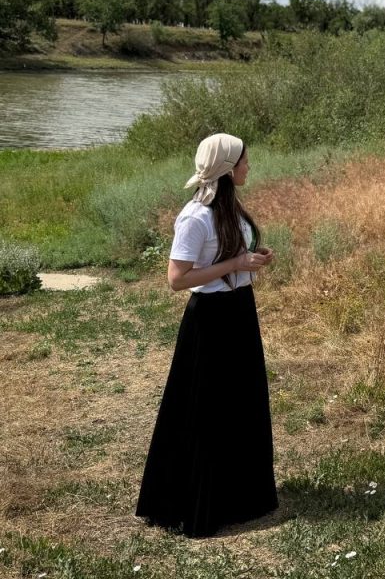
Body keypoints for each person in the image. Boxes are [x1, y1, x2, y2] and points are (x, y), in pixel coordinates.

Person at [136, 133, 278, 538]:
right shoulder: (194, 217)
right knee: (207, 408)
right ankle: (198, 499)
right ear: (229, 169)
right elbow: (177, 279)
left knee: (241, 401)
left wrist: (254, 261)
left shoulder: (231, 209)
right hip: (210, 320)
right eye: (244, 162)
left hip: (239, 312)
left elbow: (229, 260)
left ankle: (240, 496)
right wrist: (235, 262)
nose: (249, 167)